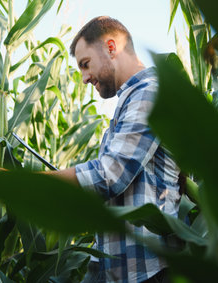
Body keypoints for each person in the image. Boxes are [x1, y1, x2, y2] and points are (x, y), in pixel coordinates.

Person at [48, 16, 180, 283]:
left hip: (146, 271)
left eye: (85, 65)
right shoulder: (130, 101)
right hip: (116, 268)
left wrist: (11, 181)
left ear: (111, 48)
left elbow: (109, 176)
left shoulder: (149, 93)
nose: (84, 78)